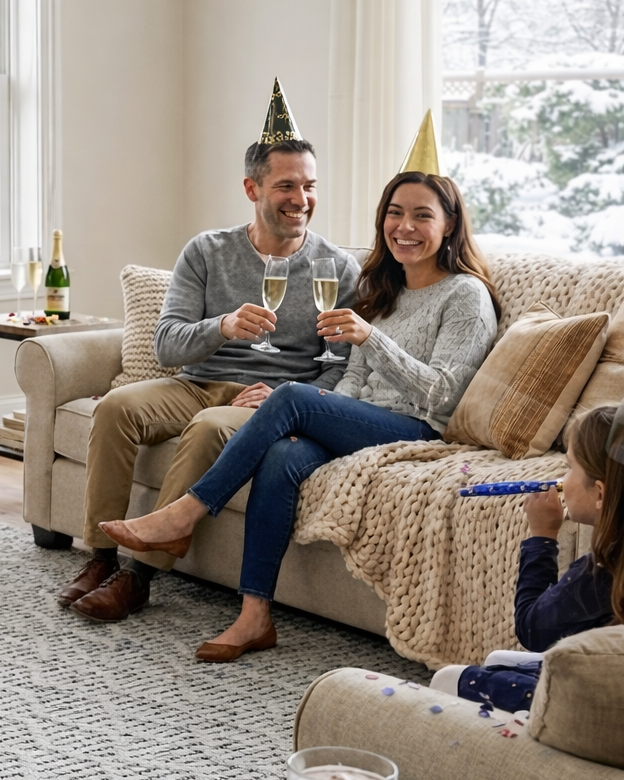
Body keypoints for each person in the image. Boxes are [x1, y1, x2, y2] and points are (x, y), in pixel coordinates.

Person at [104, 169, 501, 661]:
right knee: (281, 456)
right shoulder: (383, 289)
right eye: (395, 213)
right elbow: (352, 380)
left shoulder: (465, 294)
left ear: (450, 225)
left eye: (423, 215)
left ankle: (184, 512)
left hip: (421, 429)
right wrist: (334, 403)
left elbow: (443, 396)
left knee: (290, 397)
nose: (406, 226)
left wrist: (368, 341)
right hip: (362, 422)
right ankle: (255, 617)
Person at [62, 80, 360, 623]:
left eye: (310, 186)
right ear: (252, 188)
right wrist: (222, 325)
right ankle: (99, 556)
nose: (301, 200)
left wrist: (287, 399)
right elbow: (167, 343)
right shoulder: (207, 251)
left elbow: (345, 367)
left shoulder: (337, 268)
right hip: (195, 382)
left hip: (262, 398)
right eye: (286, 186)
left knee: (204, 431)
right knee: (116, 407)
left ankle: (138, 575)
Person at [429, 405, 623, 710]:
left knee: (448, 678)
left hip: (594, 702)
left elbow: (532, 628)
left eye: (570, 467)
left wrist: (542, 536)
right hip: (611, 677)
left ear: (599, 493)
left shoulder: (604, 570)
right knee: (496, 660)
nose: (562, 477)